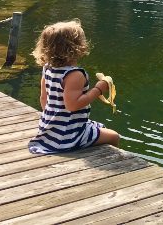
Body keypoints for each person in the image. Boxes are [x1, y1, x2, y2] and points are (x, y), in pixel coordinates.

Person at [28, 20, 120, 154]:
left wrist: (54, 120)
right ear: (76, 47)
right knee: (114, 136)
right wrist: (98, 89)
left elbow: (44, 99)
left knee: (99, 126)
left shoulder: (47, 69)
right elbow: (73, 105)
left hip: (49, 129)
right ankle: (112, 159)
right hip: (67, 135)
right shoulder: (74, 74)